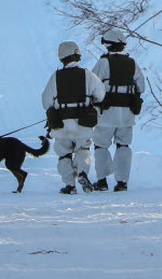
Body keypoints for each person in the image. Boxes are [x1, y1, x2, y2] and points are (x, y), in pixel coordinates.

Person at [42, 41, 105, 194]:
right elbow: (101, 95)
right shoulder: (88, 75)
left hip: (61, 124)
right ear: (78, 55)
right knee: (83, 148)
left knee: (64, 153)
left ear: (61, 58)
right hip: (83, 122)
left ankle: (70, 185)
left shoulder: (55, 77)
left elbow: (46, 102)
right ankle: (83, 172)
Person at [91, 29, 146, 192]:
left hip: (106, 114)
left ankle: (102, 181)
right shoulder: (132, 63)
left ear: (108, 45)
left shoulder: (103, 63)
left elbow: (92, 85)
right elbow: (141, 86)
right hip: (127, 114)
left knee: (101, 145)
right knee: (123, 146)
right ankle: (122, 182)